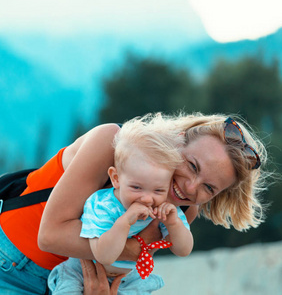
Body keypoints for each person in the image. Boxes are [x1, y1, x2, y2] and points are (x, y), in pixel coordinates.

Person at [0, 112, 268, 295]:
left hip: (69, 284)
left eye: (209, 188)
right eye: (192, 166)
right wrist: (132, 248)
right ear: (177, 140)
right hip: (8, 267)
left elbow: (116, 269)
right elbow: (50, 235)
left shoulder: (183, 209)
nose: (189, 187)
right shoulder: (113, 144)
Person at [48, 117, 193, 294]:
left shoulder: (165, 209)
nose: (147, 199)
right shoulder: (103, 205)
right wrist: (125, 222)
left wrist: (174, 224)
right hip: (79, 272)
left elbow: (183, 250)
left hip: (130, 278)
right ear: (116, 178)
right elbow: (104, 255)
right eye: (136, 187)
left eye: (158, 190)